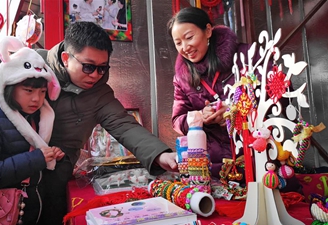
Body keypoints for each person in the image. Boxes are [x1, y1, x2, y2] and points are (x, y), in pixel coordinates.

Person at [36, 21, 178, 225]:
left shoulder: (100, 94)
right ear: (66, 58)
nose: (94, 75)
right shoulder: (33, 66)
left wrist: (161, 155)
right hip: (19, 165)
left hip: (59, 171)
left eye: (102, 68)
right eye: (88, 67)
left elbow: (123, 124)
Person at [0, 36, 64, 225]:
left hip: (33, 213)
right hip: (2, 214)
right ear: (8, 87)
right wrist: (37, 158)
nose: (37, 99)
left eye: (42, 92)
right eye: (28, 90)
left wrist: (50, 155)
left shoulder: (37, 120)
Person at [167, 7, 253, 178]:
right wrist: (200, 116)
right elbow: (177, 120)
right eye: (178, 43)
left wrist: (233, 110)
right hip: (213, 168)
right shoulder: (182, 78)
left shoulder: (246, 56)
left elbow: (277, 99)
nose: (185, 47)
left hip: (256, 159)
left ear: (207, 31)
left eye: (189, 37)